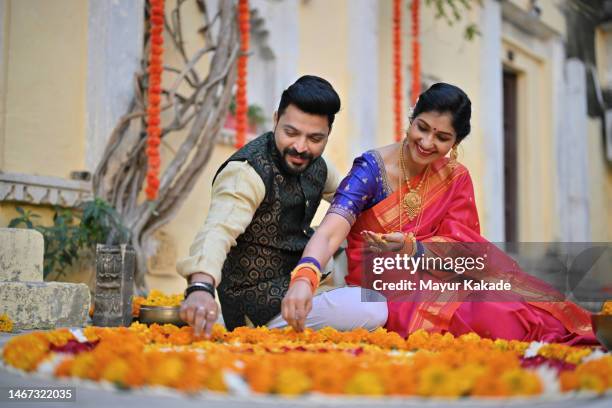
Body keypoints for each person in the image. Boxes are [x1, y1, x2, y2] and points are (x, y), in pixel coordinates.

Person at [281, 82, 597, 344]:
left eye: (442, 137)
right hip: (386, 290)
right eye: (422, 128)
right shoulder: (371, 171)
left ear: (456, 142)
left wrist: (414, 248)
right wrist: (305, 277)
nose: (427, 142)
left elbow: (464, 249)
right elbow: (330, 230)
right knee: (496, 316)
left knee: (530, 305)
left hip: (445, 277)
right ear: (411, 117)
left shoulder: (455, 177)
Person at [176, 75, 343, 335]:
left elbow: (354, 203)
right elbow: (217, 230)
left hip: (303, 286)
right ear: (276, 120)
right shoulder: (247, 172)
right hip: (257, 306)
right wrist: (200, 287)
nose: (300, 147)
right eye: (291, 132)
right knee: (372, 308)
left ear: (327, 135)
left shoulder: (319, 167)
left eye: (314, 138)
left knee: (347, 226)